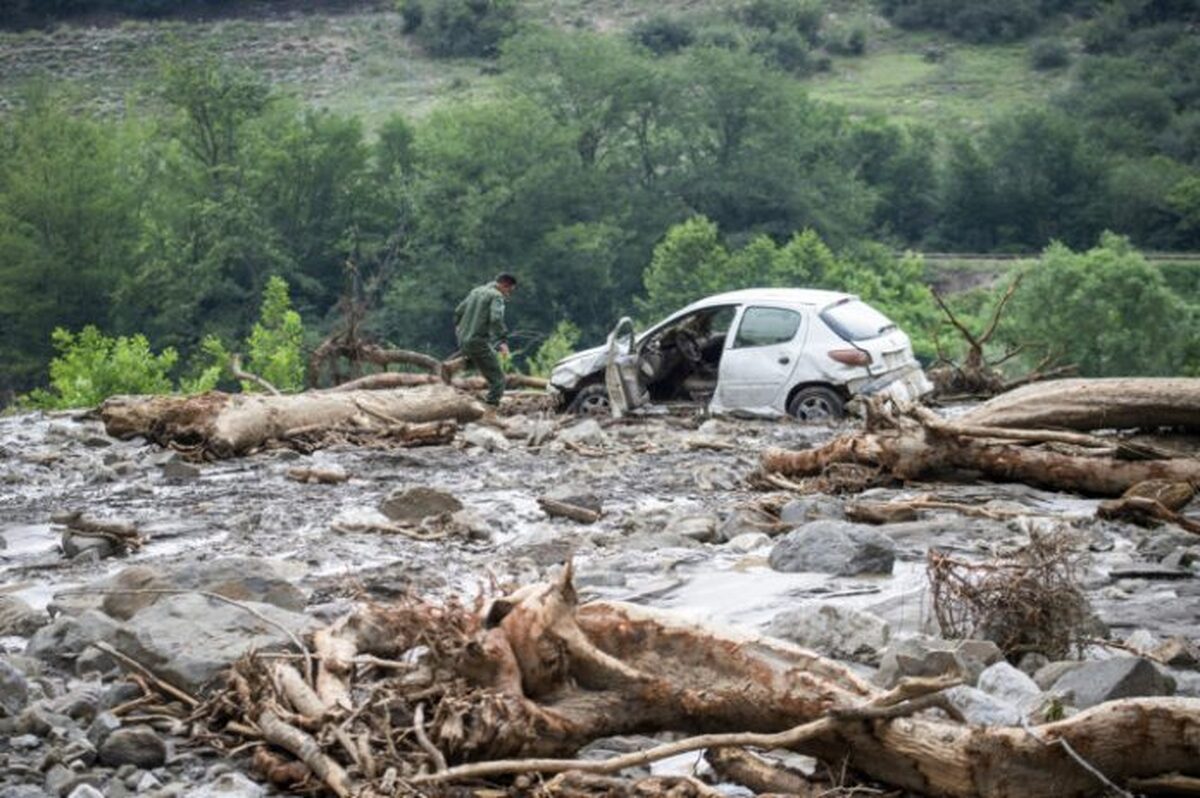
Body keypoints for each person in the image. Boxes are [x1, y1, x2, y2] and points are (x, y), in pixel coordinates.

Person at [454, 273, 517, 407]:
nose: (508, 295)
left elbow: (458, 311)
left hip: (462, 340)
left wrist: (459, 328)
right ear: (504, 285)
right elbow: (496, 319)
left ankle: (453, 366)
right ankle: (490, 409)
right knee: (499, 380)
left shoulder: (476, 291)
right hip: (477, 342)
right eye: (509, 291)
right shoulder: (496, 296)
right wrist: (502, 340)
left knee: (485, 357)